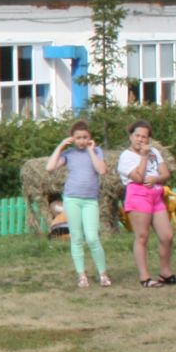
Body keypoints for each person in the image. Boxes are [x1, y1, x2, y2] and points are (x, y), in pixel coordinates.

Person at [47, 123, 112, 288]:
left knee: (92, 237)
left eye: (85, 137)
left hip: (90, 200)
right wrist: (61, 146)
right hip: (72, 199)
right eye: (78, 138)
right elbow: (50, 167)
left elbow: (102, 170)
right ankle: (81, 275)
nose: (82, 141)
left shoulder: (97, 152)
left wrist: (91, 150)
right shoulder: (69, 154)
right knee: (76, 237)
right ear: (73, 138)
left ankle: (103, 274)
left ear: (89, 137)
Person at [118, 121, 176, 286]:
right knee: (142, 236)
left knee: (167, 236)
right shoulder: (126, 156)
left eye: (144, 136)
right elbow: (137, 177)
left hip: (156, 194)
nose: (140, 139)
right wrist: (143, 157)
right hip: (138, 195)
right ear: (130, 136)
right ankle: (144, 277)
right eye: (137, 135)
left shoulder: (155, 152)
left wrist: (157, 178)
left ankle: (165, 272)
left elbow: (165, 173)